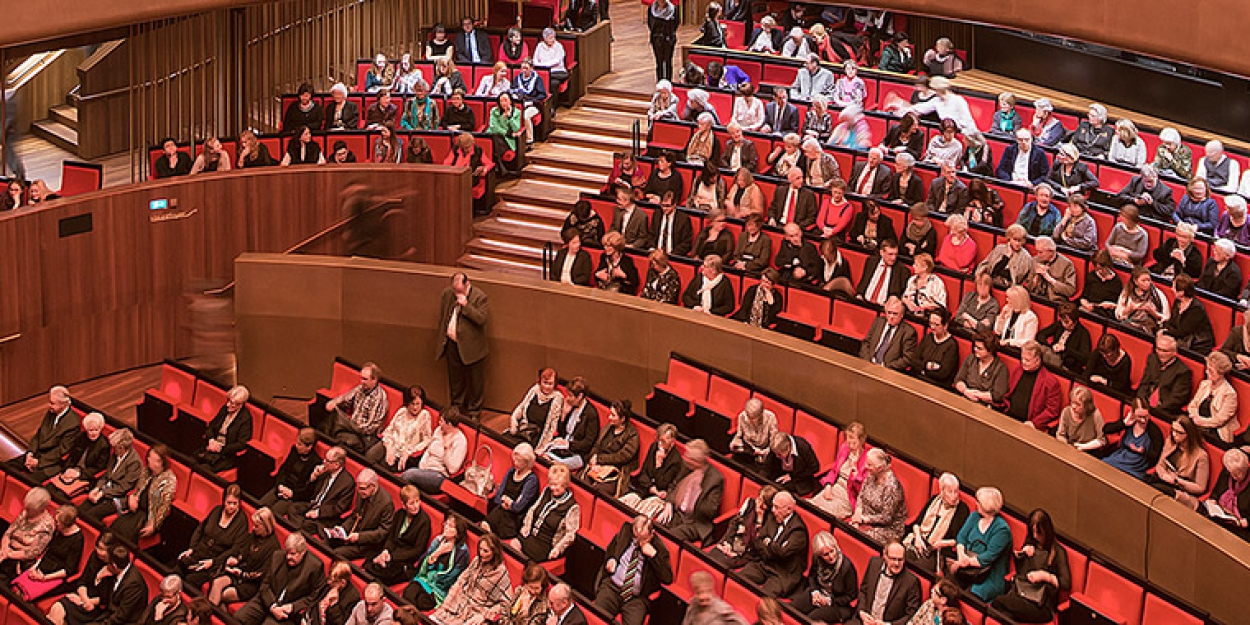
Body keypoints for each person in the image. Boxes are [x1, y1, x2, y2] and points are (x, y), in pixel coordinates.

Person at [593, 516, 673, 625]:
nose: (639, 542)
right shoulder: (626, 532)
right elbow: (610, 550)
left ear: (652, 534)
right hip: (612, 587)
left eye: (643, 539)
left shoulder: (659, 549)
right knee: (596, 617)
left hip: (636, 599)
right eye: (636, 538)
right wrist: (611, 559)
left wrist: (654, 556)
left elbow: (667, 578)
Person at [234, 533, 325, 625]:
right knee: (238, 619)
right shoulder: (277, 556)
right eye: (287, 552)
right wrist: (272, 607)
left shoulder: (315, 567)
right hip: (267, 601)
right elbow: (265, 585)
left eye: (293, 554)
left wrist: (292, 607)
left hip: (288, 611)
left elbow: (314, 597)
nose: (288, 557)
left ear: (303, 552)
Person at [49, 543, 147, 625]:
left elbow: (120, 617)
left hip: (119, 621)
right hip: (106, 612)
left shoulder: (133, 585)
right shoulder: (118, 571)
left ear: (114, 565)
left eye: (107, 563)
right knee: (57, 609)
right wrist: (84, 600)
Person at [428, 533, 512, 625]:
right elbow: (461, 581)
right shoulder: (477, 561)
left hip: (477, 612)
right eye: (480, 549)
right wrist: (446, 603)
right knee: (433, 619)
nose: (481, 553)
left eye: (485, 551)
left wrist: (484, 615)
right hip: (460, 602)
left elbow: (506, 604)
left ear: (494, 552)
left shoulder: (501, 573)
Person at [438, 273, 490, 420]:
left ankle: (474, 412)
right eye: (455, 291)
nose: (456, 294)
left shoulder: (480, 297)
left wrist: (466, 305)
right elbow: (443, 316)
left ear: (467, 284)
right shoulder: (447, 294)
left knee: (475, 382)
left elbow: (481, 319)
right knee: (455, 379)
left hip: (473, 348)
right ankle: (456, 407)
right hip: (452, 345)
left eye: (459, 291)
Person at [273, 444, 355, 535]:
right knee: (293, 508)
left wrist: (318, 513)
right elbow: (309, 493)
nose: (323, 462)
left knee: (307, 524)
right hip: (312, 504)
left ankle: (297, 532)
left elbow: (339, 508)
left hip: (325, 515)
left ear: (336, 465)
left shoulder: (347, 483)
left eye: (327, 461)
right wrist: (313, 478)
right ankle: (298, 531)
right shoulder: (324, 471)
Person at [738, 491, 808, 596]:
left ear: (789, 509)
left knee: (765, 595)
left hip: (783, 573)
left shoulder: (798, 531)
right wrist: (769, 546)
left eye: (777, 507)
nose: (773, 510)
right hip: (765, 563)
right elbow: (758, 541)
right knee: (741, 578)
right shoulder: (773, 517)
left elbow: (782, 553)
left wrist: (769, 543)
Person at [947, 487, 1011, 602]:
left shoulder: (1002, 529)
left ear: (986, 506)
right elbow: (961, 537)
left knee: (966, 598)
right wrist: (961, 556)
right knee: (946, 589)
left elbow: (988, 557)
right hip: (966, 568)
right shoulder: (974, 516)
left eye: (978, 502)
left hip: (988, 576)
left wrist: (964, 563)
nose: (975, 503)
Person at [178, 485, 248, 590]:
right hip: (199, 552)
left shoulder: (242, 521)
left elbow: (235, 549)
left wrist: (213, 562)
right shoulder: (216, 510)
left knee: (190, 581)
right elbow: (200, 529)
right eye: (229, 503)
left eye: (235, 503)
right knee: (177, 569)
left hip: (216, 562)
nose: (231, 507)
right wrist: (191, 548)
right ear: (224, 501)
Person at [206, 507, 279, 607]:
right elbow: (243, 552)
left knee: (224, 595)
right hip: (238, 573)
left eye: (257, 526)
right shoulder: (254, 535)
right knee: (217, 583)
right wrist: (235, 560)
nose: (253, 528)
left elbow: (261, 574)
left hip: (252, 584)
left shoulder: (273, 548)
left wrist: (241, 574)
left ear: (266, 526)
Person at [9, 503, 82, 601]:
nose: (55, 523)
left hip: (54, 575)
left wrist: (44, 578)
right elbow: (48, 552)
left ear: (66, 525)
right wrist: (34, 567)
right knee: (15, 587)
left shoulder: (77, 540)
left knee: (23, 596)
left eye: (57, 522)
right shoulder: (58, 531)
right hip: (42, 567)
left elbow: (68, 570)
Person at [104, 443, 176, 542]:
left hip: (147, 516)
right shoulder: (146, 472)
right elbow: (137, 490)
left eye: (151, 458)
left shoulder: (169, 480)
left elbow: (164, 507)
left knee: (124, 533)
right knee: (114, 527)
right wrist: (132, 498)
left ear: (160, 462)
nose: (148, 460)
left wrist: (154, 525)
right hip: (135, 509)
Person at [511, 462, 579, 562]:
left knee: (520, 558)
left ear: (565, 485)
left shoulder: (572, 507)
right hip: (531, 536)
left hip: (546, 545)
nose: (552, 488)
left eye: (556, 485)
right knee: (513, 544)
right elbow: (533, 509)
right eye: (551, 484)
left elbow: (570, 535)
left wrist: (557, 549)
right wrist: (526, 526)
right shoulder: (547, 491)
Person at [363, 485, 431, 585]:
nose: (416, 506)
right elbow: (391, 537)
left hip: (405, 559)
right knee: (369, 562)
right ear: (404, 505)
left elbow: (417, 550)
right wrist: (386, 551)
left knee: (383, 574)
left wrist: (392, 557)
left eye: (417, 501)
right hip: (392, 552)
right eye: (412, 503)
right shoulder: (399, 514)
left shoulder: (424, 521)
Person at [787, 532, 857, 623]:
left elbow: (851, 596)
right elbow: (812, 577)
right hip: (818, 594)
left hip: (837, 604)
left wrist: (828, 601)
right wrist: (814, 591)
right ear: (820, 555)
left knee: (810, 619)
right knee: (792, 609)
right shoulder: (817, 559)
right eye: (826, 554)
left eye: (832, 551)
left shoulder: (846, 567)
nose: (831, 557)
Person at [9, 386, 78, 479]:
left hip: (50, 463)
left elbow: (61, 451)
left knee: (26, 481)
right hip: (36, 454)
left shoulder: (73, 424)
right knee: (7, 467)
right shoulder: (51, 411)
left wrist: (38, 462)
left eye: (52, 403)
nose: (49, 405)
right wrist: (30, 453)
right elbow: (39, 434)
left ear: (63, 404)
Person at [403, 516, 470, 610]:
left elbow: (450, 579)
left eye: (450, 526)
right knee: (408, 595)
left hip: (439, 589)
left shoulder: (462, 552)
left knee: (421, 602)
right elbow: (423, 564)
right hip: (424, 580)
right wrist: (438, 552)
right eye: (446, 524)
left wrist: (432, 575)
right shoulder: (438, 540)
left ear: (457, 533)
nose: (446, 527)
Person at [847, 542, 922, 625]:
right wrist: (861, 612)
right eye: (893, 559)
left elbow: (911, 615)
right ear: (885, 555)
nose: (897, 564)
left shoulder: (911, 581)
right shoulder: (874, 564)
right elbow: (863, 590)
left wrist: (888, 624)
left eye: (900, 560)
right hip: (864, 620)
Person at [326, 468, 393, 560]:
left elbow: (383, 532)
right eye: (359, 488)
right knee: (325, 541)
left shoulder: (386, 503)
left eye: (362, 489)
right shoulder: (362, 493)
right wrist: (342, 529)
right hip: (352, 535)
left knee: (336, 553)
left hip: (366, 545)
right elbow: (355, 515)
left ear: (373, 486)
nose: (359, 491)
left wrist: (360, 537)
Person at [322, 362, 388, 453]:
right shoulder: (361, 388)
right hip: (352, 427)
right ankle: (326, 440)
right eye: (361, 378)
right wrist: (334, 402)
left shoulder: (379, 398)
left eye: (365, 379)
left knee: (338, 421)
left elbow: (369, 428)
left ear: (374, 380)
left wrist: (349, 424)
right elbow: (345, 399)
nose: (362, 382)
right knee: (333, 409)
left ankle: (328, 438)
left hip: (363, 437)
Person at [365, 386, 433, 472]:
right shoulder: (402, 411)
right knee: (369, 456)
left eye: (418, 404)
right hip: (390, 444)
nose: (415, 407)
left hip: (403, 453)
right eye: (412, 404)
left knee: (383, 466)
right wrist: (389, 448)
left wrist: (408, 453)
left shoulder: (424, 415)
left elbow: (427, 440)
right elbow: (389, 430)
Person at [401, 408, 468, 495]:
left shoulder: (460, 441)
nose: (439, 423)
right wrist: (421, 466)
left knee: (408, 475)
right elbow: (429, 450)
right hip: (424, 470)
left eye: (441, 421)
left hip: (439, 476)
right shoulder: (439, 430)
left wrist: (446, 449)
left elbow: (452, 469)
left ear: (449, 424)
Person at [583, 400, 640, 498]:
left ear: (622, 419)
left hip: (616, 472)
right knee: (583, 483)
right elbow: (596, 446)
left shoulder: (632, 435)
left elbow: (622, 457)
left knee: (598, 490)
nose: (609, 417)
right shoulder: (608, 428)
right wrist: (593, 461)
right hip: (597, 466)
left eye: (613, 415)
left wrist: (600, 459)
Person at [482, 444, 540, 541]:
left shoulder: (531, 480)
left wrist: (511, 504)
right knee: (484, 526)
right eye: (515, 459)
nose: (515, 463)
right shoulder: (511, 471)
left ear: (527, 462)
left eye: (519, 461)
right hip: (500, 510)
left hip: (514, 519)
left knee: (493, 536)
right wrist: (505, 502)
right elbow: (498, 496)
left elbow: (519, 506)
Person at [849, 449, 907, 544]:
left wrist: (865, 520)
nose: (865, 467)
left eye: (869, 465)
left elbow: (886, 518)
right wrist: (858, 512)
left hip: (888, 528)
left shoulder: (891, 487)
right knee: (850, 530)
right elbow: (861, 495)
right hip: (865, 518)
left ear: (880, 468)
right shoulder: (871, 474)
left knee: (859, 537)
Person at [1145, 416, 1210, 501]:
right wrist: (1164, 475)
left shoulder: (1201, 455)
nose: (1174, 434)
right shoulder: (1170, 442)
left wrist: (1177, 481)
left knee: (1157, 489)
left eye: (1179, 432)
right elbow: (1160, 465)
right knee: (1144, 482)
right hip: (1164, 480)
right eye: (1173, 430)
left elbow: (1200, 487)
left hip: (1182, 490)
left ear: (1188, 434)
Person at [1004, 341, 1063, 431]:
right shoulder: (1018, 370)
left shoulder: (1050, 382)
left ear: (1038, 360)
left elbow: (1052, 410)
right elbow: (1008, 392)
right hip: (1008, 416)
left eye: (1027, 360)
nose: (1023, 362)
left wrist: (1034, 423)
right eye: (1022, 359)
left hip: (1029, 425)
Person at [1189, 449, 1250, 536]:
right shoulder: (1226, 473)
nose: (1237, 476)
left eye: (1240, 472)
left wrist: (1242, 522)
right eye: (1234, 474)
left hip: (1238, 524)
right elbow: (1215, 493)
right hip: (1220, 514)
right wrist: (1212, 501)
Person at [191, 385, 252, 472]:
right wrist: (211, 440)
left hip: (226, 455)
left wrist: (221, 448)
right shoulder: (224, 409)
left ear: (240, 405)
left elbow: (241, 444)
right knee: (191, 461)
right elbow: (211, 427)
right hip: (211, 447)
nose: (228, 405)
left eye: (232, 404)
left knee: (203, 470)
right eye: (228, 401)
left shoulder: (245, 418)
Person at [0, 487, 54, 580]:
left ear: (40, 508)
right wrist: (4, 548)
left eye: (30, 509)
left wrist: (8, 555)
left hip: (19, 559)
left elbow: (32, 553)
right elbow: (8, 533)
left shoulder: (47, 525)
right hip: (7, 549)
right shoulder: (26, 512)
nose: (26, 510)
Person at [1103, 399, 1165, 479]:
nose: (1143, 420)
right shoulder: (1130, 423)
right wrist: (1124, 423)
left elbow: (1156, 455)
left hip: (1137, 463)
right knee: (1104, 465)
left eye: (1146, 417)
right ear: (1133, 413)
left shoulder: (1154, 431)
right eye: (1140, 417)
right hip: (1121, 456)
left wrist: (1143, 451)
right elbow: (1106, 430)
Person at [259, 427, 319, 508]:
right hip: (282, 487)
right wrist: (280, 485)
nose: (297, 446)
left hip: (294, 497)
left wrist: (292, 494)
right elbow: (283, 470)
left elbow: (308, 491)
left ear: (309, 447)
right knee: (260, 505)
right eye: (297, 442)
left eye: (300, 444)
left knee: (273, 512)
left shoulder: (316, 462)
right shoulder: (294, 450)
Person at [1186, 351, 1238, 443]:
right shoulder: (1205, 384)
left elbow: (1219, 420)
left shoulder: (1229, 394)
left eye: (1211, 371)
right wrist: (1194, 416)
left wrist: (1201, 421)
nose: (1206, 372)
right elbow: (1192, 405)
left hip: (1216, 430)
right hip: (1197, 422)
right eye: (1207, 369)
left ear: (1221, 373)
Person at [1136, 333, 1193, 418]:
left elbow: (1176, 399)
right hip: (1146, 405)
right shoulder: (1152, 359)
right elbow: (1144, 383)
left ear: (1174, 352)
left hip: (1164, 411)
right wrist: (1141, 402)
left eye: (1165, 351)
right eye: (1159, 349)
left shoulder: (1183, 372)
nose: (1161, 353)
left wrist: (1155, 411)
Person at [862, 296, 920, 371]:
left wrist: (886, 367)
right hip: (869, 364)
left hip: (889, 370)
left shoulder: (909, 332)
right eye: (889, 313)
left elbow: (907, 358)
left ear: (901, 315)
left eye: (895, 314)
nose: (891, 316)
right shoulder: (878, 322)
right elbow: (866, 342)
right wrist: (867, 361)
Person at [955, 330, 1011, 406]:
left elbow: (998, 395)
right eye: (975, 346)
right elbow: (958, 380)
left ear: (990, 350)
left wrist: (978, 395)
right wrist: (966, 391)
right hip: (965, 397)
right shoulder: (971, 358)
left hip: (985, 405)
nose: (975, 350)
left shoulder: (1001, 368)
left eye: (979, 348)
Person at [444, 131, 492, 214]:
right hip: (455, 175)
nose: (466, 150)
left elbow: (489, 164)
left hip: (471, 177)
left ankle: (464, 212)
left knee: (462, 184)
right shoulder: (455, 149)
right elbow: (446, 163)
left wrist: (483, 169)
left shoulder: (478, 151)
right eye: (464, 148)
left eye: (468, 147)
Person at [1163, 274, 1214, 352]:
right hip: (1181, 338)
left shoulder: (1196, 309)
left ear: (1181, 292)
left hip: (1198, 344)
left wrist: (1165, 331)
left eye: (1173, 287)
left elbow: (1183, 331)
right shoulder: (1178, 302)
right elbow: (1172, 322)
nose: (1171, 289)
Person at [1037, 301, 1091, 373]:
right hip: (1052, 355)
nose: (1064, 324)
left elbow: (1085, 358)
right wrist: (1051, 345)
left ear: (1075, 321)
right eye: (1062, 320)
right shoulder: (1059, 324)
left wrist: (1066, 349)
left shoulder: (1083, 333)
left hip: (1067, 365)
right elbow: (1041, 335)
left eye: (1067, 322)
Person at [913, 308, 960, 387]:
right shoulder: (928, 338)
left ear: (945, 325)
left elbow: (943, 374)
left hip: (936, 385)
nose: (932, 327)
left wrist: (923, 370)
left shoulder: (952, 345)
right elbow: (914, 361)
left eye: (936, 324)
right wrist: (928, 366)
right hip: (918, 379)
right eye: (931, 323)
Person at [1116, 266, 1170, 334]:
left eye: (1148, 280)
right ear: (1135, 281)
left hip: (1149, 328)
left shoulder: (1158, 295)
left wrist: (1152, 312)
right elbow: (1118, 315)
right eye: (1143, 281)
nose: (1147, 283)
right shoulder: (1127, 293)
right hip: (1131, 323)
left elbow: (1166, 318)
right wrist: (1130, 309)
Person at [766, 431, 821, 496]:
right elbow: (768, 465)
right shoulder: (776, 447)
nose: (776, 456)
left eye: (779, 454)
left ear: (789, 448)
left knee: (780, 491)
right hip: (780, 474)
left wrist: (792, 477)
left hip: (800, 478)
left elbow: (815, 467)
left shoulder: (803, 447)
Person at [729, 397, 779, 467]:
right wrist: (734, 443)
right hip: (746, 452)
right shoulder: (742, 416)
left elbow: (774, 444)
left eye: (753, 418)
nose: (750, 420)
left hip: (763, 455)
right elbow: (739, 435)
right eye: (748, 417)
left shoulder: (771, 418)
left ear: (761, 414)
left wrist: (763, 452)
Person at [305, 560, 358, 625]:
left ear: (343, 582)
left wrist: (334, 605)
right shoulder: (330, 582)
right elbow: (315, 600)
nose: (328, 582)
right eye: (329, 579)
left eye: (333, 581)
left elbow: (340, 623)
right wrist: (305, 617)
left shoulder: (353, 598)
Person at [857, 240, 910, 305]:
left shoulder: (902, 270)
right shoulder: (871, 261)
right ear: (881, 252)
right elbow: (863, 282)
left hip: (883, 307)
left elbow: (897, 296)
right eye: (890, 254)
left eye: (895, 254)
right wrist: (859, 295)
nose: (893, 258)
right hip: (864, 302)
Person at [1026, 236, 1077, 302]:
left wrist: (1050, 279)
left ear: (1051, 251)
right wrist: (1035, 278)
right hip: (1035, 297)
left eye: (1041, 252)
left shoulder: (1067, 264)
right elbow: (1028, 287)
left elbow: (1070, 291)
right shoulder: (1036, 260)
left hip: (1054, 301)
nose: (1038, 255)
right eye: (1037, 251)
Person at [488, 93, 526, 176]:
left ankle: (500, 168)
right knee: (494, 139)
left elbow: (516, 128)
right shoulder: (494, 111)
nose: (503, 103)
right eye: (501, 101)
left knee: (495, 143)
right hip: (495, 136)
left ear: (510, 101)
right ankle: (502, 168)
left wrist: (510, 118)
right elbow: (494, 127)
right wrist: (508, 133)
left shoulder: (517, 112)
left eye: (505, 100)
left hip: (508, 140)